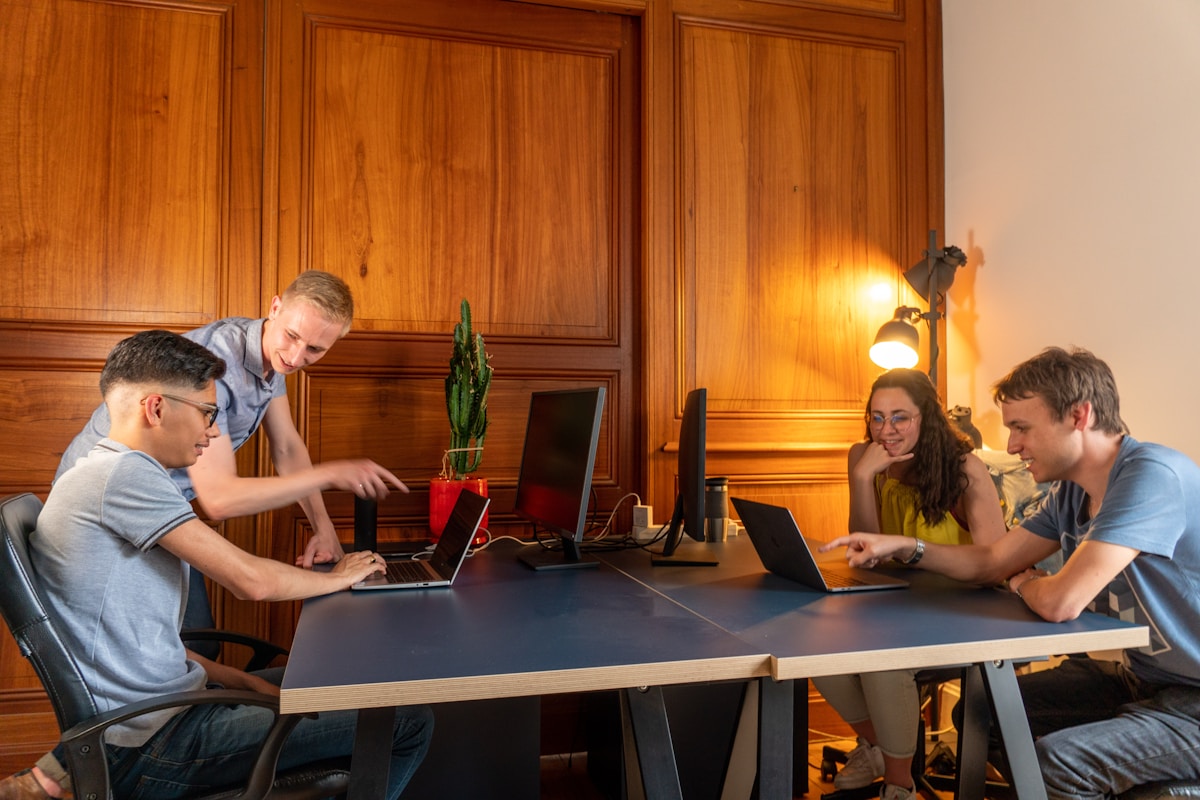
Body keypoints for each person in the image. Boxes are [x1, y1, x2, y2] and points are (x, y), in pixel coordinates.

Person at [3, 271, 409, 800]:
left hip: (153, 700)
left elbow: (154, 653)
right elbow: (231, 533)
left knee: (168, 647)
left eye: (315, 348)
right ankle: (77, 771)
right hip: (153, 736)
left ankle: (56, 777)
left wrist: (242, 680)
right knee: (400, 721)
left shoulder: (255, 379)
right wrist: (340, 572)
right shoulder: (134, 462)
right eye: (209, 416)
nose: (216, 432)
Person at [822, 347, 1200, 800]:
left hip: (1192, 701)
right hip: (1143, 681)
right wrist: (907, 546)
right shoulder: (1069, 494)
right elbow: (991, 561)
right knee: (980, 716)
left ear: (1079, 416)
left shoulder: (1152, 477)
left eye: (1021, 428)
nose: (1011, 446)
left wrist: (1022, 581)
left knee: (1057, 763)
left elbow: (1060, 602)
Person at [811, 369, 1007, 800]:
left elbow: (998, 561)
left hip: (960, 604)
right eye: (877, 417)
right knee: (812, 637)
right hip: (897, 600)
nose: (887, 430)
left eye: (900, 417)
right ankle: (881, 746)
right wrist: (864, 479)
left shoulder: (963, 469)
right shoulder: (864, 457)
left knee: (883, 654)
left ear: (926, 418)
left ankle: (899, 786)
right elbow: (865, 551)